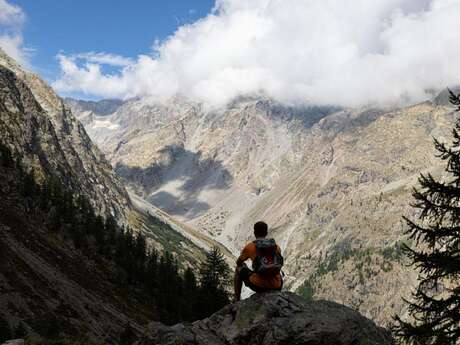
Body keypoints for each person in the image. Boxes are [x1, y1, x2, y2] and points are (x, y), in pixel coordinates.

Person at [234, 221, 283, 301]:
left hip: (259, 286)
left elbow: (238, 262)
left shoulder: (250, 247)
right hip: (277, 285)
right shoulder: (276, 247)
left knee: (238, 268)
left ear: (254, 232)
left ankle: (236, 299)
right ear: (266, 232)